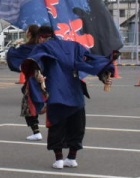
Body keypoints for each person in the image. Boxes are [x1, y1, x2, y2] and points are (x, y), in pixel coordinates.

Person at [25, 25, 116, 169]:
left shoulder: (43, 47)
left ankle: (59, 159)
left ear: (41, 37)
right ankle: (72, 157)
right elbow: (89, 61)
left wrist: (39, 79)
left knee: (56, 125)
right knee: (77, 125)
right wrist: (104, 75)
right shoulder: (74, 46)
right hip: (75, 92)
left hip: (56, 92)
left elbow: (35, 65)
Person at [6, 24, 44, 140]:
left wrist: (14, 45)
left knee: (29, 106)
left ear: (29, 34)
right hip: (47, 79)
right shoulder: (43, 47)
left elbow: (12, 56)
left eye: (27, 31)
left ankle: (36, 131)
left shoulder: (26, 48)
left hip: (33, 80)